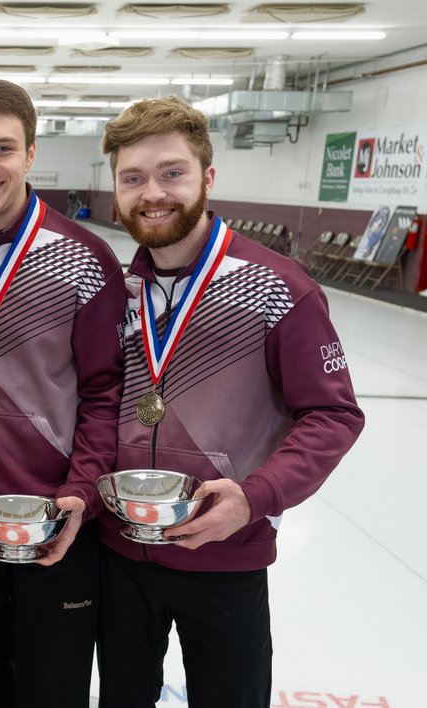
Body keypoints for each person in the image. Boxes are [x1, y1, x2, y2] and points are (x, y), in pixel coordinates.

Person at [97, 95, 365, 707]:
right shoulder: (120, 290)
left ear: (207, 178)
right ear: (114, 188)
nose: (153, 193)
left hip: (227, 555)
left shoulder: (278, 286)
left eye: (172, 173)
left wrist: (257, 498)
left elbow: (334, 414)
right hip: (120, 552)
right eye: (133, 178)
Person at [0, 80, 125, 707]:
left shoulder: (85, 259)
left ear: (31, 154)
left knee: (53, 685)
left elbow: (105, 393)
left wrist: (81, 495)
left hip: (57, 520)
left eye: (4, 148)